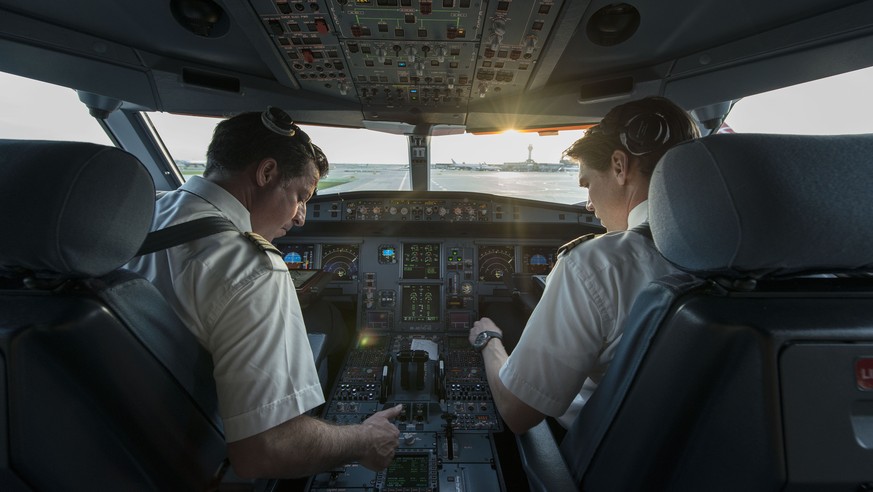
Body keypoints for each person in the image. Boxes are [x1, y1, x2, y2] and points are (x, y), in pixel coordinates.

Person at [126, 107, 401, 478]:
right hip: (194, 459)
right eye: (301, 196)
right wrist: (365, 439)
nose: (302, 216)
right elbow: (269, 449)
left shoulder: (142, 216)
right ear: (266, 172)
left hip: (134, 436)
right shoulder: (251, 266)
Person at [468, 96, 700, 434]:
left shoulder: (598, 263)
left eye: (588, 183)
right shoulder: (757, 261)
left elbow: (516, 410)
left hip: (595, 455)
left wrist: (489, 341)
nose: (589, 205)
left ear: (620, 167)